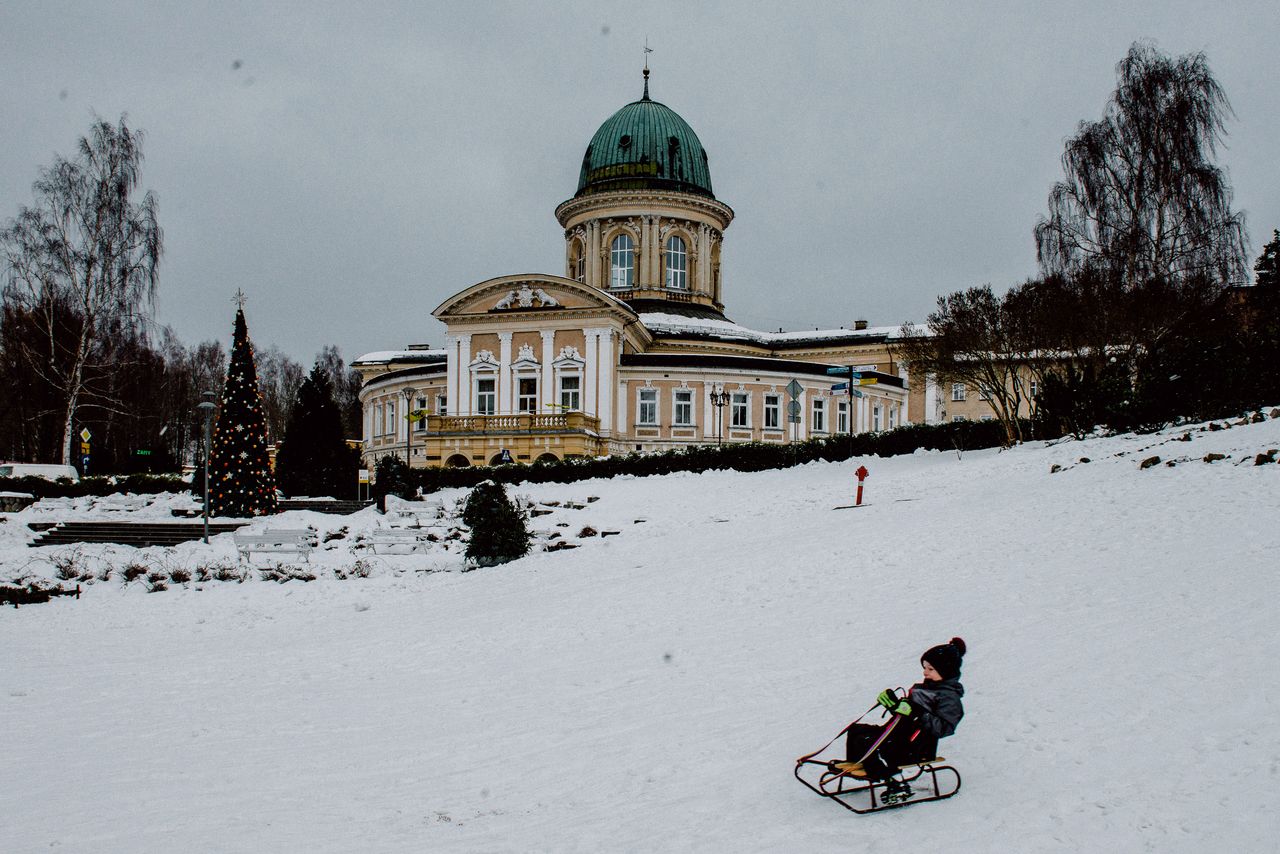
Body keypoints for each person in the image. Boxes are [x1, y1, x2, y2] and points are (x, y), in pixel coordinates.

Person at [838, 637, 966, 786]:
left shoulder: (949, 698)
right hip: (898, 734)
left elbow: (944, 728)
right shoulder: (925, 689)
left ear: (946, 671)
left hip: (916, 746)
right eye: (924, 668)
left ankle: (889, 778)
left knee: (865, 741)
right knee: (856, 730)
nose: (925, 672)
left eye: (930, 669)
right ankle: (860, 765)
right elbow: (906, 715)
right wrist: (894, 705)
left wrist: (915, 713)